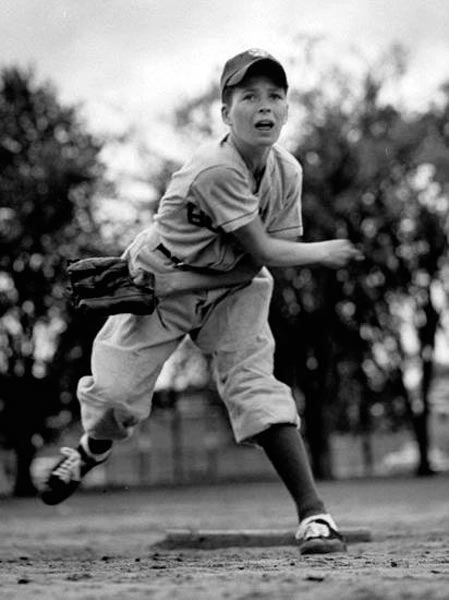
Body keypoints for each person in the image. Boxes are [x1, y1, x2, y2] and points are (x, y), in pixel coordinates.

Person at [41, 48, 362, 555]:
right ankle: (90, 449)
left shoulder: (288, 173)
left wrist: (202, 281)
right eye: (249, 96)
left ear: (287, 109)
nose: (264, 106)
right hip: (157, 278)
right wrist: (323, 252)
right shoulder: (215, 169)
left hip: (233, 286)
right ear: (225, 113)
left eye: (275, 96)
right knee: (115, 397)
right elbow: (265, 249)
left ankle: (315, 514)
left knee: (257, 387)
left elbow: (258, 263)